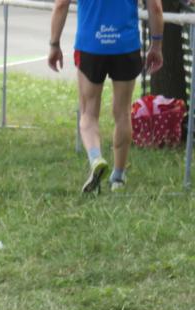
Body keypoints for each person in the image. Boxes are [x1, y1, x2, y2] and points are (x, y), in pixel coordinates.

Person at [48, 0, 164, 193]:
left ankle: (96, 159)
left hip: (90, 45)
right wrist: (156, 45)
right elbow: (156, 8)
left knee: (88, 113)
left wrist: (54, 44)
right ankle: (118, 177)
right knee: (123, 113)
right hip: (126, 46)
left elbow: (61, 5)